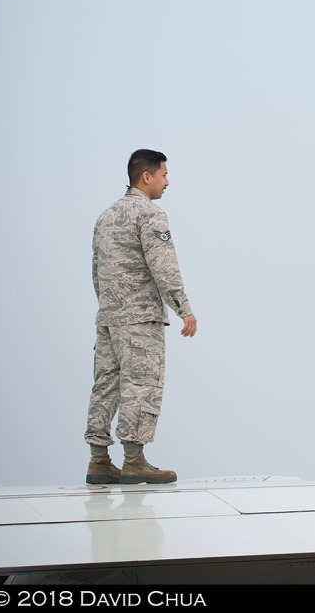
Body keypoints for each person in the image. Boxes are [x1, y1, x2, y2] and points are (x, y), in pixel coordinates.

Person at [84, 149, 198, 484]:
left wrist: (108, 306)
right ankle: (134, 460)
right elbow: (164, 266)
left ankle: (98, 461)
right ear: (145, 176)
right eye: (164, 174)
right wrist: (183, 309)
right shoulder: (150, 214)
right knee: (141, 384)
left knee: (105, 385)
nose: (168, 182)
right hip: (139, 319)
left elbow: (96, 270)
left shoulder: (105, 216)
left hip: (108, 317)